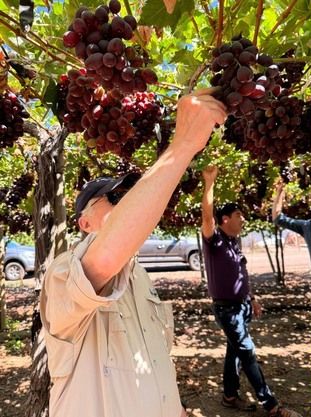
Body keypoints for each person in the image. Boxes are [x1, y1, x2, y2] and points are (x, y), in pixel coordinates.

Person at [39, 88, 227, 417]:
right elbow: (107, 253)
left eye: (130, 195)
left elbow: (152, 356)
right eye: (115, 198)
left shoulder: (139, 276)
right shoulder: (63, 273)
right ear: (84, 223)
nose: (127, 202)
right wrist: (183, 144)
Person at [200, 166, 302, 417]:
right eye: (238, 215)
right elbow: (207, 218)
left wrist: (252, 298)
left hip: (241, 307)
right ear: (225, 219)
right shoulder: (215, 240)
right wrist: (209, 182)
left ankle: (229, 395)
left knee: (234, 352)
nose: (243, 219)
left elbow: (240, 275)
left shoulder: (234, 242)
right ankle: (272, 406)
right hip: (227, 310)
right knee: (248, 353)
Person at [271, 179, 311, 264]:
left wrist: (279, 192)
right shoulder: (308, 226)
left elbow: (277, 218)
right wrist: (279, 193)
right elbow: (277, 218)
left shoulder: (308, 226)